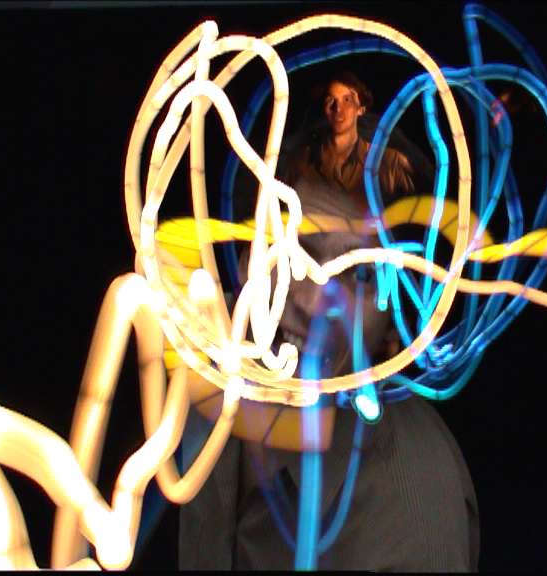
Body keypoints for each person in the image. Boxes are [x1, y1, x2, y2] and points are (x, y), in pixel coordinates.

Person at [178, 71, 479, 571]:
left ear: (395, 319)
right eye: (292, 251)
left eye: (356, 275)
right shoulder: (212, 382)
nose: (311, 298)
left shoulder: (414, 506)